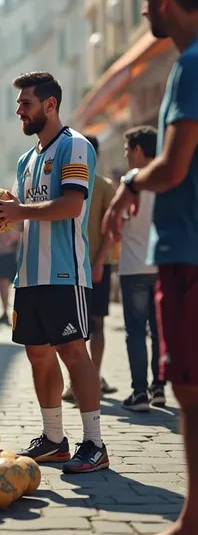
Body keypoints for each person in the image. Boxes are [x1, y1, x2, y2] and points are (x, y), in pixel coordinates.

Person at [102, 0, 198, 535]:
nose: (142, 11)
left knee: (188, 388)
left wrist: (129, 184)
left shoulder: (190, 64)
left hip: (187, 250)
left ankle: (190, 528)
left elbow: (174, 165)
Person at [0, 71, 108, 474]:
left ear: (50, 104)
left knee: (73, 352)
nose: (19, 110)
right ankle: (54, 440)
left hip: (65, 274)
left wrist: (17, 211)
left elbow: (70, 206)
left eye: (26, 102)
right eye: (18, 103)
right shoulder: (26, 159)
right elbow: (26, 218)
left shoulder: (75, 146)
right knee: (37, 355)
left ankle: (96, 444)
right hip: (29, 276)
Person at [63, 135, 116, 402]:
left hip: (96, 265)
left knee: (96, 323)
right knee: (73, 327)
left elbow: (112, 231)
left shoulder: (105, 186)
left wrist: (98, 262)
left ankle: (93, 377)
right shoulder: (65, 184)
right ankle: (77, 381)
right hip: (70, 264)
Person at [119, 126, 164, 411]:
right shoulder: (165, 180)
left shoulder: (131, 182)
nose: (125, 156)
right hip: (160, 265)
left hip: (133, 267)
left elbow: (118, 220)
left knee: (135, 331)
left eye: (126, 150)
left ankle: (139, 393)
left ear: (138, 150)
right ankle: (158, 388)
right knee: (159, 330)